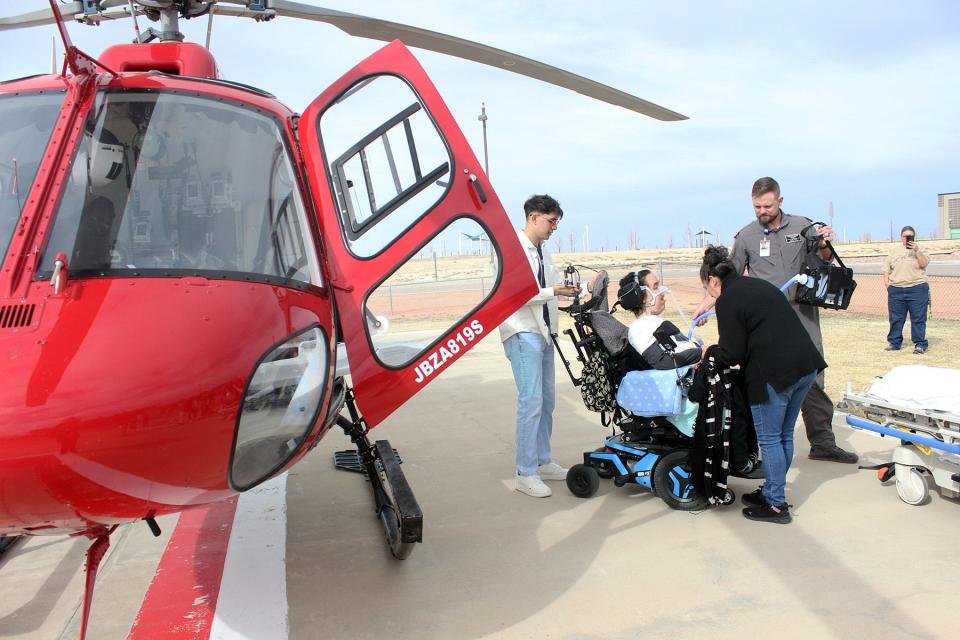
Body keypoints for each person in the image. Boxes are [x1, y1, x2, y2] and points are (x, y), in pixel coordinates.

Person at [693, 176, 857, 464]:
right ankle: (757, 445)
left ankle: (822, 442)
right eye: (757, 207)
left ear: (780, 201)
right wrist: (706, 307)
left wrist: (825, 245)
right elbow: (725, 277)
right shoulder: (745, 237)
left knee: (812, 375)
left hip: (801, 314)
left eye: (767, 206)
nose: (762, 212)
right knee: (764, 380)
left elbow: (823, 261)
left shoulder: (803, 226)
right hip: (763, 321)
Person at [701, 245, 825, 523]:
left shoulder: (728, 300)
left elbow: (732, 352)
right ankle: (772, 490)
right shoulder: (757, 285)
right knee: (783, 436)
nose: (709, 295)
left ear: (713, 280)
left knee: (770, 439)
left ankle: (776, 505)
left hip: (774, 375)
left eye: (707, 288)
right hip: (805, 366)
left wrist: (708, 353)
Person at [499, 195, 579, 498]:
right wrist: (553, 291)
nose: (555, 227)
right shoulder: (512, 250)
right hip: (522, 331)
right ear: (533, 217)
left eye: (557, 221)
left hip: (544, 332)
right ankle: (526, 471)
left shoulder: (544, 252)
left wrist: (578, 290)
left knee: (547, 401)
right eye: (551, 221)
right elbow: (515, 292)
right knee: (530, 401)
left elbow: (553, 287)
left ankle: (543, 461)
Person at [618, 270, 702, 369]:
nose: (662, 291)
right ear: (642, 296)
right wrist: (702, 352)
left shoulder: (652, 323)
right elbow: (665, 362)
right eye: (655, 286)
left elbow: (681, 348)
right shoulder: (638, 330)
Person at [883, 225, 930, 354]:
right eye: (905, 236)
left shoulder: (921, 249)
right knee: (896, 318)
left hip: (917, 288)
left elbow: (923, 264)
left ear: (914, 237)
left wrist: (917, 251)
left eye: (910, 236)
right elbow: (886, 270)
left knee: (918, 318)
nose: (907, 238)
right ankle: (895, 342)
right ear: (901, 237)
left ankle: (920, 344)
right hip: (897, 289)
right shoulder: (894, 251)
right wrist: (888, 286)